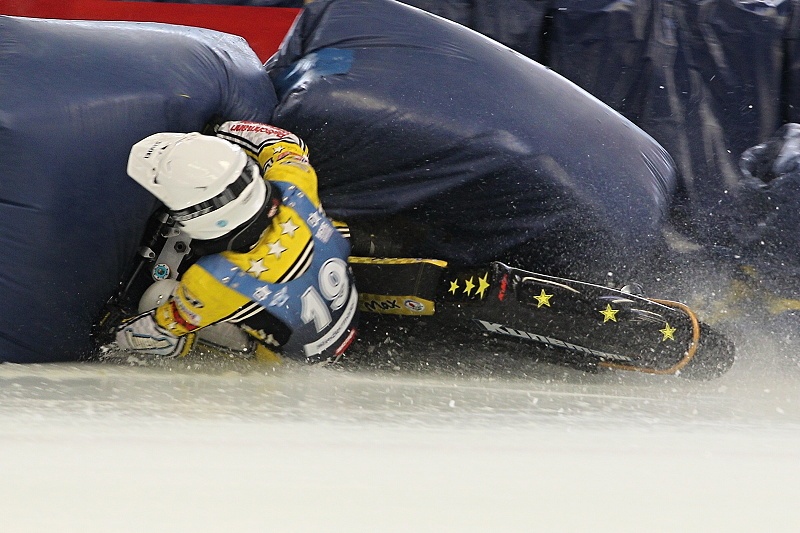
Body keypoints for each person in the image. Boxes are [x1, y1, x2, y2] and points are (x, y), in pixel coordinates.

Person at [111, 120, 359, 363]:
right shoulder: (295, 184)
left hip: (291, 364)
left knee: (158, 297)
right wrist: (222, 133)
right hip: (347, 317)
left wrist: (112, 333)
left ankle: (247, 356)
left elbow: (153, 332)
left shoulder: (211, 280)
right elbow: (285, 141)